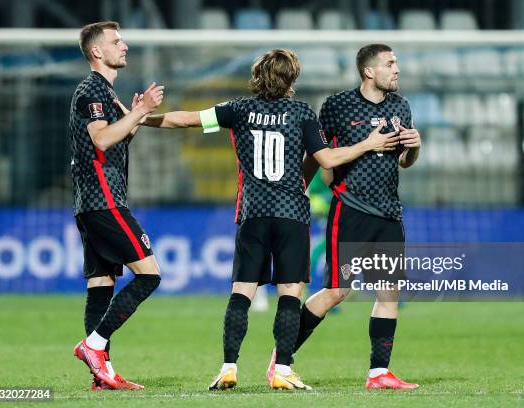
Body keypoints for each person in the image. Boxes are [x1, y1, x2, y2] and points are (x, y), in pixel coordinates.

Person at [118, 48, 398, 390]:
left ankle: (228, 366)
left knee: (241, 293)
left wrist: (140, 118)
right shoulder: (301, 113)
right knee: (290, 293)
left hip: (253, 213)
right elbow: (327, 159)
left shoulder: (238, 110)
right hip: (292, 214)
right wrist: (368, 144)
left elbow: (185, 120)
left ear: (257, 76)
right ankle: (281, 368)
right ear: (291, 79)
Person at [283, 43, 422, 390]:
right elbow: (318, 153)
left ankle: (378, 373)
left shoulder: (401, 107)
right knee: (336, 291)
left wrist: (415, 147)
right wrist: (299, 186)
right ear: (369, 71)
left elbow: (404, 161)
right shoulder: (338, 105)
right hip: (351, 210)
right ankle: (281, 356)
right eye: (390, 63)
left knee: (388, 293)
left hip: (388, 212)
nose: (397, 69)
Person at [69, 21, 164, 390]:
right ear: (97, 52)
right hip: (104, 201)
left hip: (90, 202)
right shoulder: (92, 90)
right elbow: (104, 139)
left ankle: (100, 376)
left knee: (101, 282)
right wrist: (140, 112)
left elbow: (118, 136)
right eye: (116, 41)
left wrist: (135, 113)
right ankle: (93, 346)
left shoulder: (106, 93)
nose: (123, 45)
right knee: (150, 274)